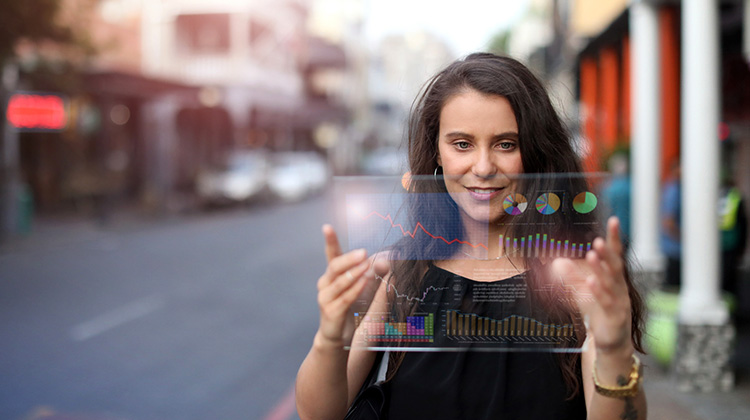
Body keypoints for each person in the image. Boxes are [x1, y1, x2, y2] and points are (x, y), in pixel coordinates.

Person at [296, 53, 647, 420]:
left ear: (537, 152)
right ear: (437, 153)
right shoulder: (404, 276)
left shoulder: (578, 277)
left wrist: (613, 349)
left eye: (506, 144)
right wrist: (332, 335)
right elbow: (318, 415)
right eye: (462, 144)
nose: (482, 168)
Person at [660, 161, 681, 288]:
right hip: (675, 248)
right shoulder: (674, 190)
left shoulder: (675, 188)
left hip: (675, 247)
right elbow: (669, 222)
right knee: (673, 285)